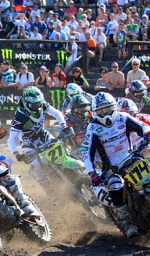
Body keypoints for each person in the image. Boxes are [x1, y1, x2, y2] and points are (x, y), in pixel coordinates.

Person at [82, 92, 150, 238]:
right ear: (95, 112)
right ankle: (126, 222)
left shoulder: (123, 117)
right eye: (101, 111)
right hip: (112, 168)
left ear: (114, 107)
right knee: (115, 185)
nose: (106, 114)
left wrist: (147, 133)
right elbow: (87, 153)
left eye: (108, 109)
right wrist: (92, 174)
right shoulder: (93, 128)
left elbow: (142, 126)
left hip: (132, 157)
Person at [8, 87, 69, 190]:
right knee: (36, 164)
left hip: (42, 134)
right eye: (33, 105)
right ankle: (49, 190)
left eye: (38, 104)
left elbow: (56, 113)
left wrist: (64, 126)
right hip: (27, 140)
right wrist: (17, 154)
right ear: (26, 103)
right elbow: (11, 138)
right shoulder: (20, 115)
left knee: (62, 148)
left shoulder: (42, 105)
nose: (37, 107)